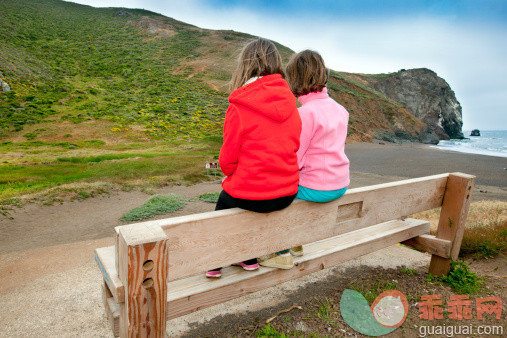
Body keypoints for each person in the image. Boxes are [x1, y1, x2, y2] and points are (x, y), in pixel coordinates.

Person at [206, 38, 302, 278]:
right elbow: (295, 145)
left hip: (254, 195)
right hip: (286, 194)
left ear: (245, 65)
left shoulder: (239, 105)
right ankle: (247, 258)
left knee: (225, 201)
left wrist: (234, 173)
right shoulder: (292, 101)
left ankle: (215, 263)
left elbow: (228, 161)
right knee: (245, 194)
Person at [284, 49, 350, 257]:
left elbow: (295, 160)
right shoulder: (340, 110)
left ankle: (283, 246)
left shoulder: (305, 114)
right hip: (340, 183)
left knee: (276, 194)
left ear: (295, 78)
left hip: (317, 189)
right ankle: (295, 242)